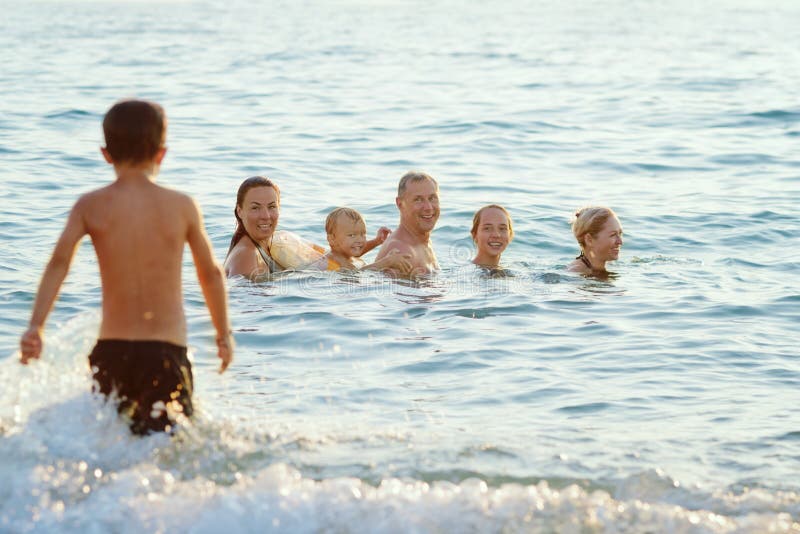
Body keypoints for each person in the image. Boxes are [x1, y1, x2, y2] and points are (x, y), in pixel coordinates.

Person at [19, 99, 233, 435]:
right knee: (167, 447)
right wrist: (223, 335)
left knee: (109, 442)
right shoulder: (182, 206)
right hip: (165, 351)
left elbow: (59, 264)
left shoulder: (90, 205)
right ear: (162, 153)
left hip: (111, 351)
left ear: (106, 154)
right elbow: (211, 274)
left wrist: (36, 327)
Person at [374, 171, 440, 277]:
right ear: (400, 204)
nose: (428, 207)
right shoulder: (400, 251)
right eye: (418, 200)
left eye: (432, 198)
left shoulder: (422, 241)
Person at [314, 207, 411, 271]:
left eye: (363, 234)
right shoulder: (336, 259)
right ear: (332, 239)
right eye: (352, 235)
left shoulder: (345, 254)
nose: (360, 240)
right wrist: (387, 261)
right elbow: (356, 274)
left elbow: (356, 250)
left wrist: (376, 241)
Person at [224, 176, 283, 277]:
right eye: (255, 208)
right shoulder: (247, 255)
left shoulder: (265, 247)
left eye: (272, 207)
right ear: (240, 211)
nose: (266, 216)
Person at [568, 207, 624, 276]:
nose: (620, 242)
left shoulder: (611, 265)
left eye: (620, 234)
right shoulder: (575, 273)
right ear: (589, 240)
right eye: (613, 235)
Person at [471, 204, 513, 269]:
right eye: (487, 228)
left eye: (502, 228)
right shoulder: (462, 274)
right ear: (475, 235)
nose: (496, 235)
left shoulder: (512, 271)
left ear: (510, 235)